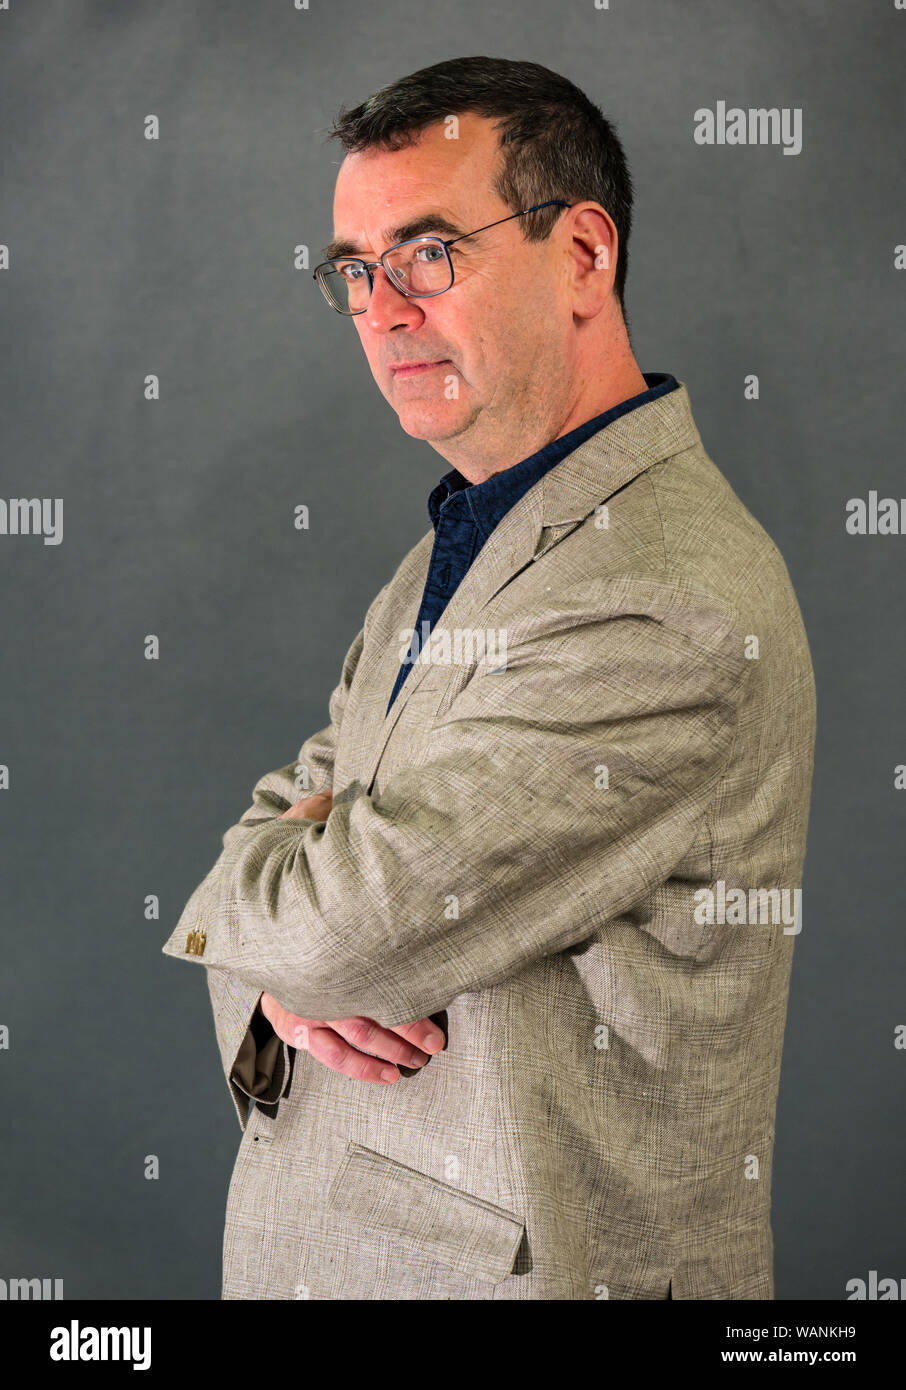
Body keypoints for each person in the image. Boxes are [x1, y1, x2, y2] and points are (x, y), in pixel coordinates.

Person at [162, 55, 816, 1300]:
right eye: (354, 271)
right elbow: (290, 845)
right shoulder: (447, 554)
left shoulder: (666, 597)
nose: (382, 309)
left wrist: (296, 942)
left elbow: (339, 922)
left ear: (582, 256)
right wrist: (283, 972)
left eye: (429, 254)